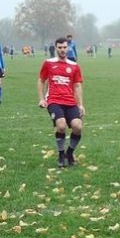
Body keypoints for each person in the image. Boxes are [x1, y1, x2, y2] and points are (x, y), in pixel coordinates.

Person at [38, 37, 85, 167]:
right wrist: (42, 99)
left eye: (65, 47)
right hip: (54, 101)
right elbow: (41, 80)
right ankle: (60, 154)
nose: (63, 50)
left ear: (68, 47)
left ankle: (69, 153)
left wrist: (80, 104)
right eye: (60, 47)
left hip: (70, 102)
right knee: (61, 125)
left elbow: (77, 85)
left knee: (77, 126)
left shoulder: (74, 66)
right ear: (56, 47)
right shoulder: (48, 63)